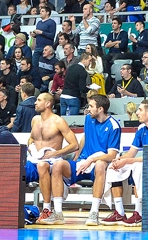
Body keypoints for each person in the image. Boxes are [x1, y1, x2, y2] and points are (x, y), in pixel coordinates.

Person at [49, 94, 121, 227]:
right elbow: (85, 137)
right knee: (58, 165)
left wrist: (92, 159)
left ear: (100, 109)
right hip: (83, 161)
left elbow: (111, 155)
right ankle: (58, 213)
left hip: (99, 164)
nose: (88, 109)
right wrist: (78, 154)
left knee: (100, 165)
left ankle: (94, 213)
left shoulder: (114, 126)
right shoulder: (88, 118)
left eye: (91, 106)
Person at [104, 99, 148, 226]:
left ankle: (139, 213)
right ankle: (119, 212)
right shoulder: (141, 128)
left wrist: (127, 161)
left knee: (138, 167)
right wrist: (120, 160)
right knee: (113, 168)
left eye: (140, 110)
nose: (137, 112)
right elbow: (131, 153)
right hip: (147, 162)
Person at [26, 92, 80, 224]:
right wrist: (30, 147)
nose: (35, 102)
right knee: (21, 169)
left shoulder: (58, 121)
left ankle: (50, 209)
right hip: (35, 159)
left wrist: (55, 153)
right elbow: (32, 138)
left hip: (52, 160)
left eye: (39, 100)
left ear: (48, 103)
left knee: (42, 165)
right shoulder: (35, 120)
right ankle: (43, 210)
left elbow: (74, 145)